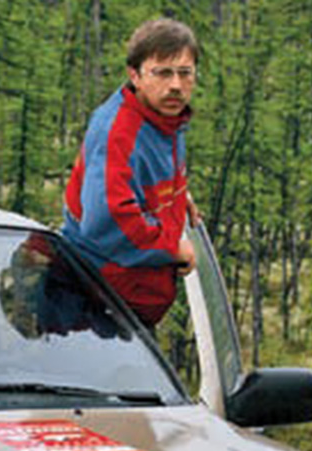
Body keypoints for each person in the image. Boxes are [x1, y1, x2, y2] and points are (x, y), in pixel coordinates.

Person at [61, 18, 201, 327]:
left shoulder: (164, 119)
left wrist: (178, 195)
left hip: (126, 305)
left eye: (185, 73)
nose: (175, 85)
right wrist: (172, 248)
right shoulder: (119, 130)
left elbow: (141, 174)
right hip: (94, 305)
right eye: (162, 73)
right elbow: (106, 220)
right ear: (135, 75)